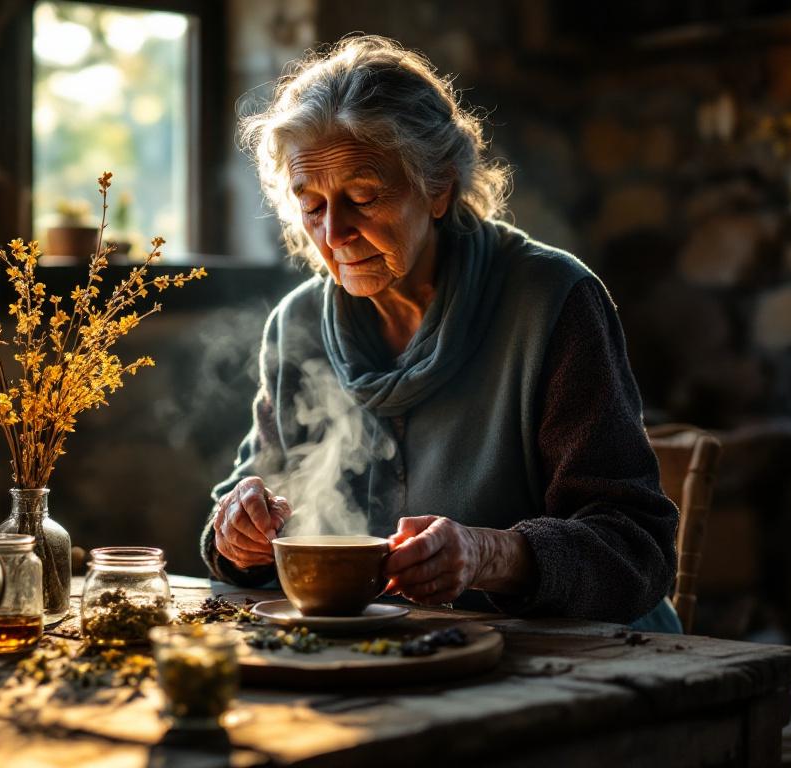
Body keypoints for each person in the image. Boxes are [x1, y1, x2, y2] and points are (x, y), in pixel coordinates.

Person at [200, 35, 681, 631]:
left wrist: (491, 555)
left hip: (575, 662)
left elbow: (638, 550)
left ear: (439, 187)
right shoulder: (298, 325)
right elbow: (249, 515)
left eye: (362, 197)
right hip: (387, 657)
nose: (334, 233)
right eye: (312, 204)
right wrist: (238, 533)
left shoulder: (549, 302)